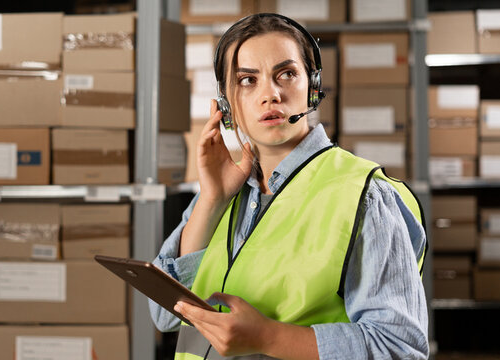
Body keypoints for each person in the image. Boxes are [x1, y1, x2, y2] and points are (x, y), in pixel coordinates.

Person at [150, 13, 429, 360]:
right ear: (226, 104)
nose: (270, 94)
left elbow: (400, 348)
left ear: (312, 88)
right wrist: (211, 200)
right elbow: (164, 315)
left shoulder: (365, 196)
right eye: (247, 80)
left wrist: (268, 338)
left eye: (286, 74)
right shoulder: (222, 193)